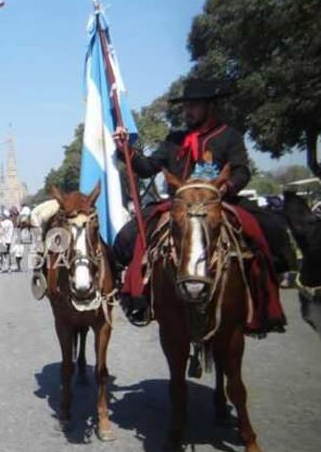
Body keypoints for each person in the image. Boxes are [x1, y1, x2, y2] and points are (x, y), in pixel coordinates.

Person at [111, 78, 286, 333]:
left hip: (219, 201)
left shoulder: (229, 136)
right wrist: (126, 149)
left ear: (209, 106)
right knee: (127, 237)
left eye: (194, 105)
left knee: (269, 227)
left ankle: (264, 301)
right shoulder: (174, 139)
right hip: (178, 205)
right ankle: (136, 297)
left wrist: (225, 188)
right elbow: (148, 168)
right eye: (187, 105)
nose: (188, 110)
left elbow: (241, 170)